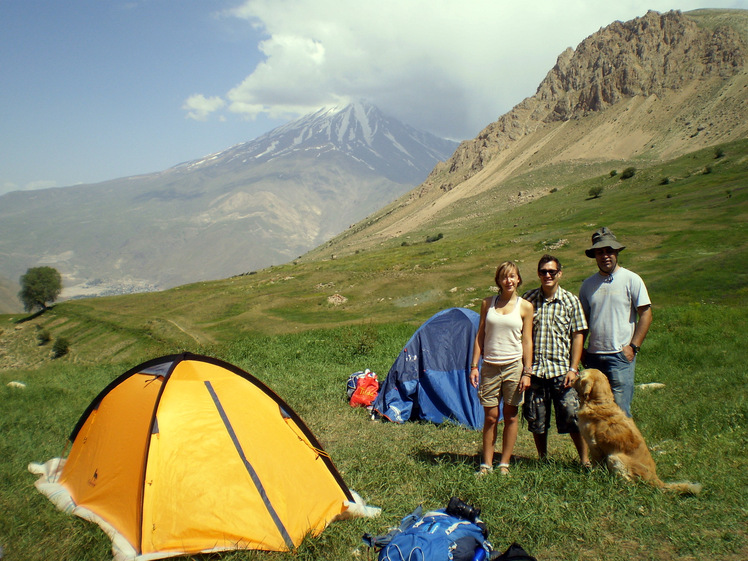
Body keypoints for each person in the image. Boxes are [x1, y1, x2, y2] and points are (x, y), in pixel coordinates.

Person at [521, 255, 590, 466]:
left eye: (552, 271)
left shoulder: (571, 301)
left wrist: (573, 368)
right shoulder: (528, 299)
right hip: (536, 371)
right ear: (538, 274)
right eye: (543, 271)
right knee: (537, 419)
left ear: (559, 273)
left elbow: (578, 335)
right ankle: (542, 459)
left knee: (573, 416)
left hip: (561, 370)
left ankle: (585, 460)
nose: (547, 275)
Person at [579, 227, 652, 417]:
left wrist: (633, 347)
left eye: (609, 251)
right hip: (594, 357)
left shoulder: (631, 279)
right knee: (595, 410)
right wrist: (581, 350)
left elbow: (646, 314)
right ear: (594, 255)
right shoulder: (587, 285)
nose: (605, 256)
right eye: (600, 252)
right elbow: (583, 321)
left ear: (616, 252)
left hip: (620, 356)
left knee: (620, 412)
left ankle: (623, 447)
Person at [470, 261, 533, 476]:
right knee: (490, 416)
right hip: (489, 366)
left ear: (518, 279)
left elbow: (527, 341)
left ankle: (504, 463)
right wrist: (474, 366)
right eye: (505, 277)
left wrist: (527, 371)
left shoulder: (525, 306)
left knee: (511, 414)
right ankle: (486, 463)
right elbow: (480, 336)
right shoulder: (488, 304)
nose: (509, 280)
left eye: (513, 276)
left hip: (514, 366)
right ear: (498, 280)